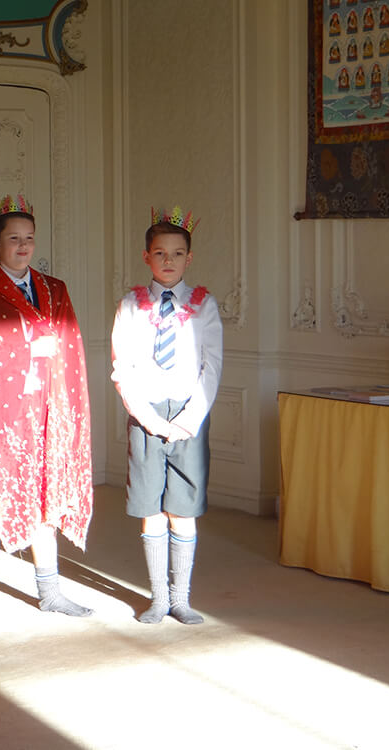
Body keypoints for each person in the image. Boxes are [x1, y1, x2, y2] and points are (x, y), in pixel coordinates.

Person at [0, 195, 94, 628]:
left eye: (29, 238)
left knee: (46, 500)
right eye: (14, 239)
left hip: (47, 410)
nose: (23, 247)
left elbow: (70, 346)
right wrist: (27, 348)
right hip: (0, 417)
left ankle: (50, 593)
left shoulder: (54, 289)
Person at [110, 207, 222, 625]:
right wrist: (151, 421)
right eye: (160, 253)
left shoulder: (203, 306)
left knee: (183, 508)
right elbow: (123, 368)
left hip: (189, 416)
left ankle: (182, 598)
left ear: (189, 258)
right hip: (147, 417)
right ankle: (158, 597)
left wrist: (189, 420)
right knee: (150, 505)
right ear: (147, 257)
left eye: (177, 253)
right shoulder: (131, 306)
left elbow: (212, 366)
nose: (169, 261)